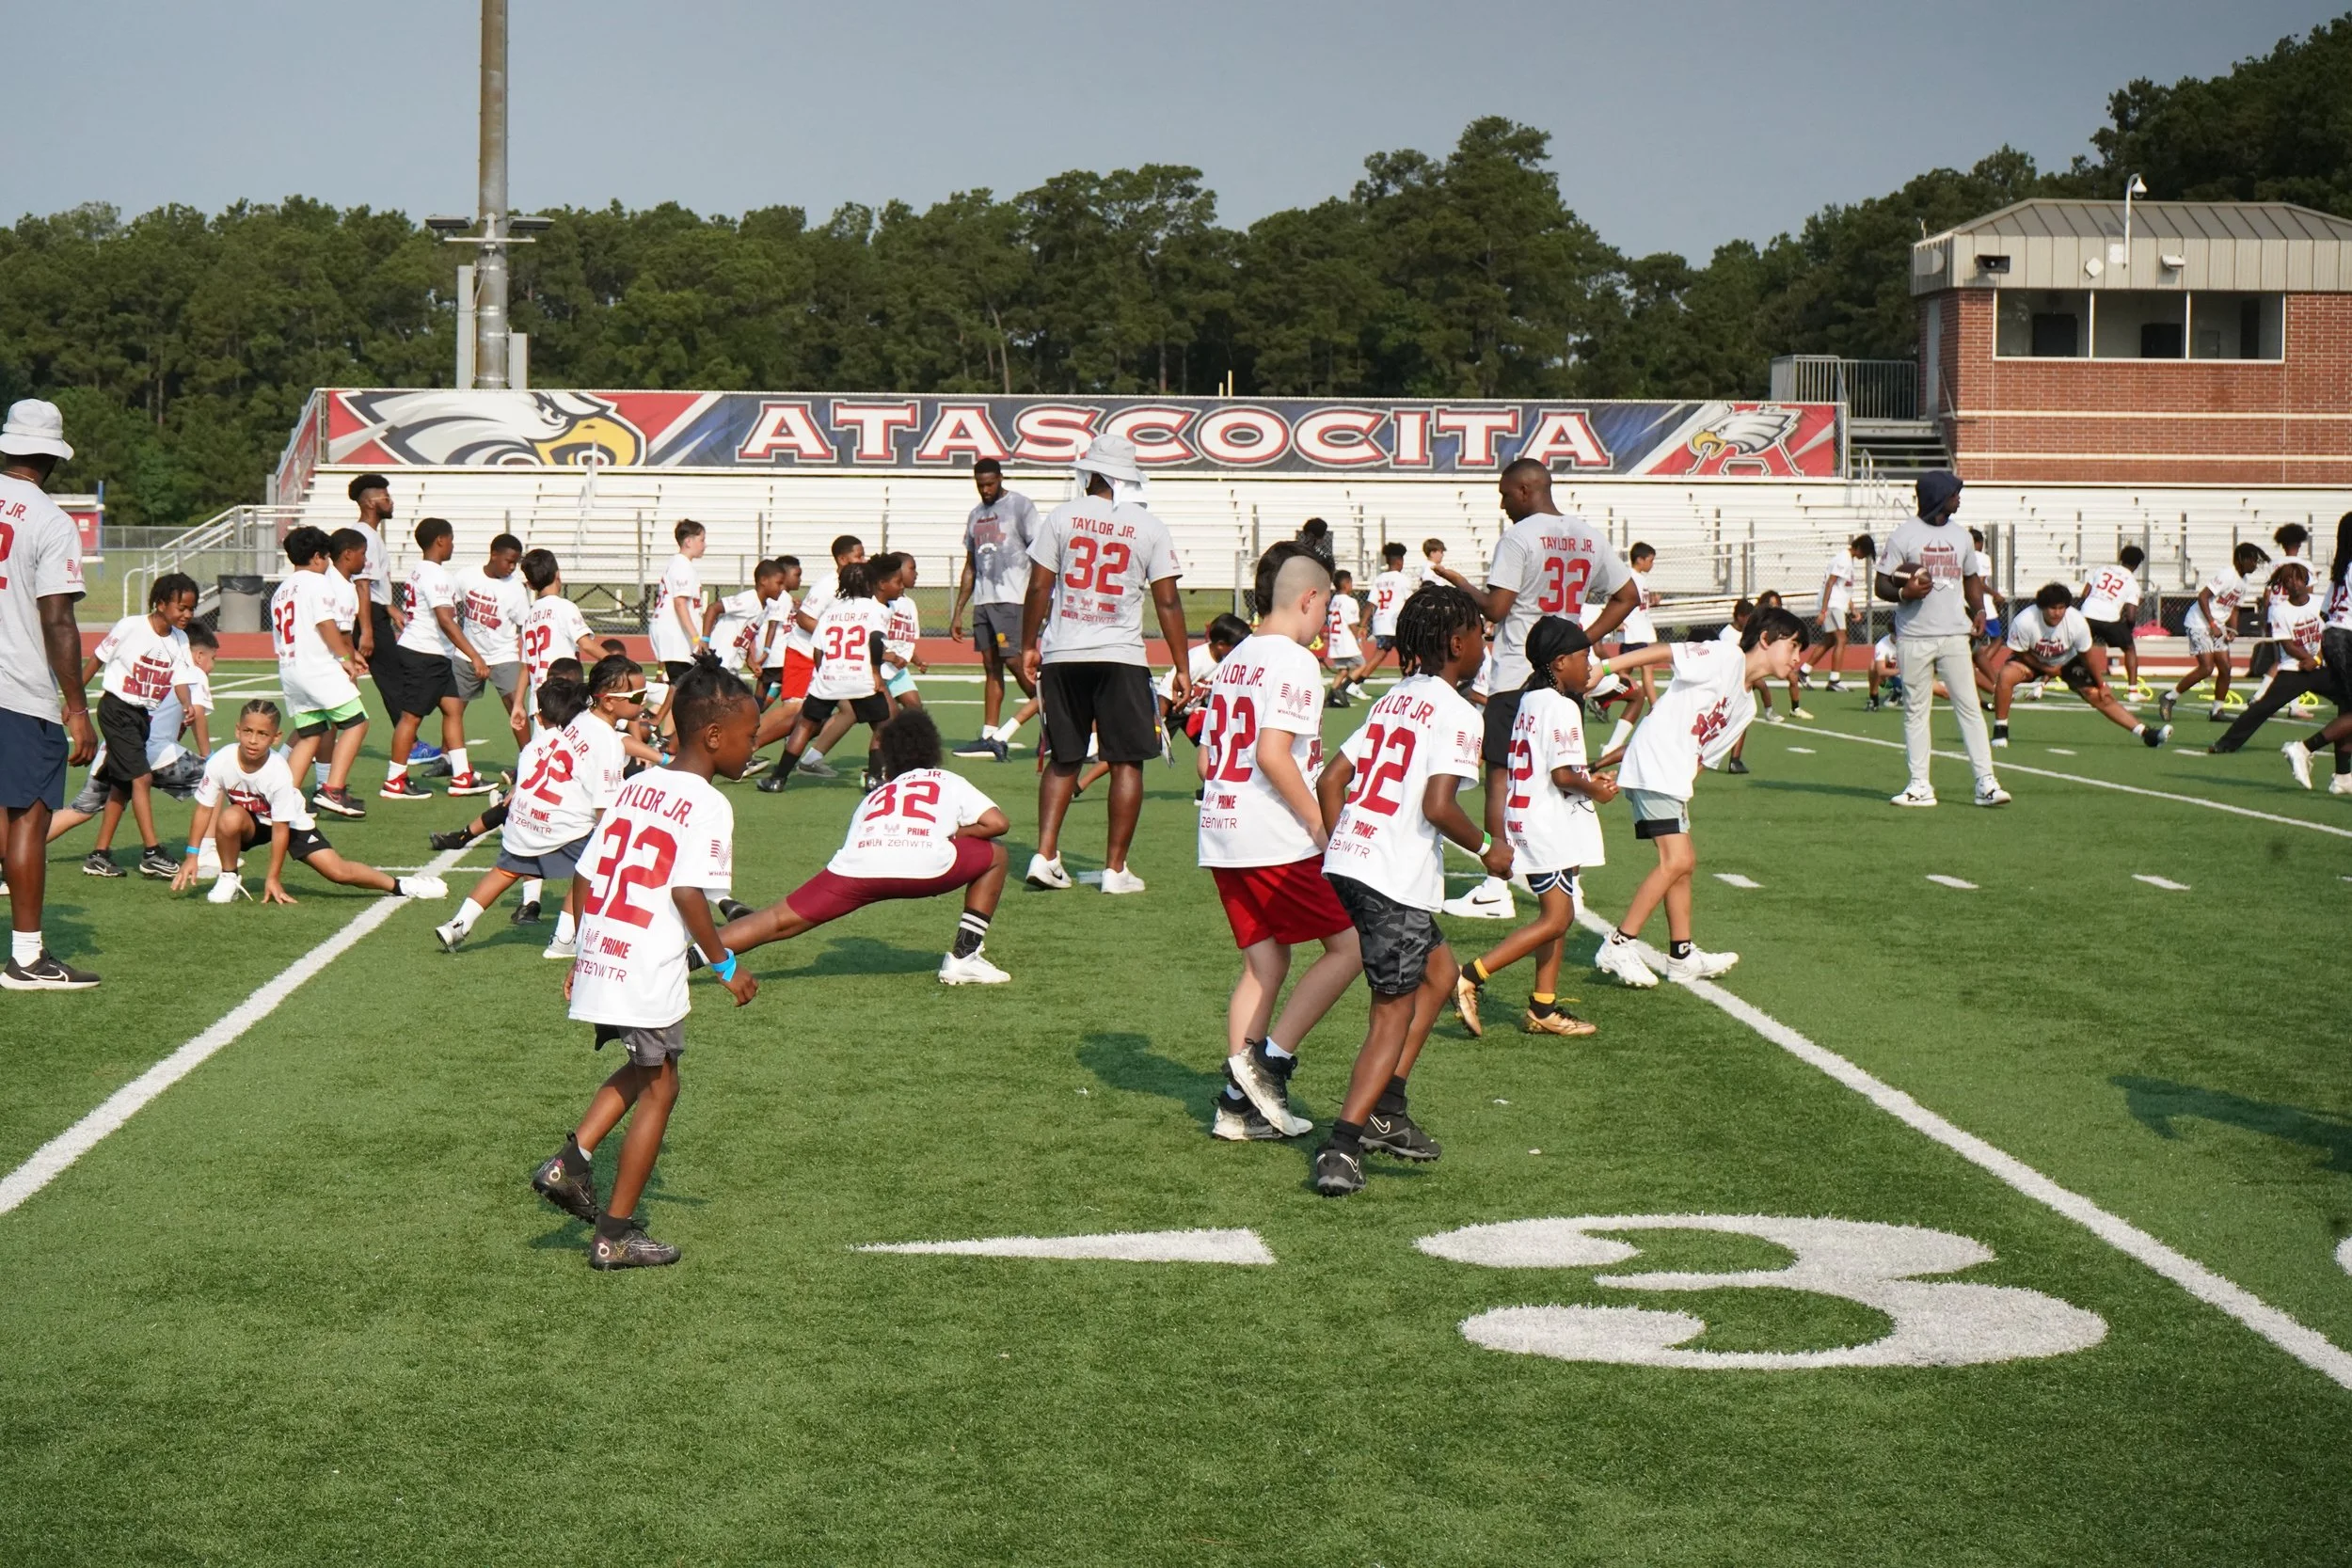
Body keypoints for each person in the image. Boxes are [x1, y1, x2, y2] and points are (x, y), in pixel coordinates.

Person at [533, 657, 760, 1271]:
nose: (753, 745)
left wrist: (582, 953)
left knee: (644, 1069)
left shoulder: (639, 783)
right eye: (748, 735)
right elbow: (689, 893)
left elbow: (585, 871)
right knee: (663, 1086)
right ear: (714, 736)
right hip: (645, 965)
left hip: (608, 952)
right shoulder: (709, 804)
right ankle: (613, 1236)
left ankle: (567, 1164)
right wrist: (725, 965)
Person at [1309, 583, 1502, 1196]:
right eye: (1478, 633)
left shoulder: (1395, 698)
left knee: (1439, 974)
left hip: (1355, 862)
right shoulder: (1457, 710)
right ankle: (1343, 1143)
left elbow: (1331, 778)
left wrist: (1352, 838)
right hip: (1394, 876)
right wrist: (1489, 848)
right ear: (1456, 642)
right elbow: (1438, 805)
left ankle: (1389, 1107)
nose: (1484, 643)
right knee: (1391, 1013)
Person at [1200, 544, 1365, 1143]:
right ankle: (1269, 1067)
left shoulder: (1236, 655)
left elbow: (1206, 757)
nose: (1327, 624)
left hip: (1222, 828)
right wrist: (1321, 826)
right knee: (1349, 948)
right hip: (1270, 832)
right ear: (1309, 598)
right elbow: (1273, 755)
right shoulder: (1293, 661)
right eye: (1327, 609)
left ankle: (1234, 1107)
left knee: (1265, 961)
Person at [1435, 457, 1637, 920]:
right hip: (1564, 674)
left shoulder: (1520, 537)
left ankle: (1495, 887)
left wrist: (1460, 582)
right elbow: (1628, 596)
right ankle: (1570, 880)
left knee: (1500, 777)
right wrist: (1580, 643)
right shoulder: (1587, 533)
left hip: (1515, 674)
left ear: (1525, 490)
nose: (1503, 504)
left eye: (1506, 494)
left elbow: (1497, 609)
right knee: (1565, 776)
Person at [715, 708, 1014, 988]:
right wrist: (954, 833)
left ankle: (686, 959)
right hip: (928, 867)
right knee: (996, 854)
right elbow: (997, 823)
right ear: (932, 749)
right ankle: (964, 956)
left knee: (776, 920)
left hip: (859, 870)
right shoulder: (948, 780)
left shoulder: (876, 795)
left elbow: (857, 841)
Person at [1591, 605, 1807, 989]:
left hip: (1670, 776)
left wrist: (1640, 778)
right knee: (1677, 860)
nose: (1798, 658)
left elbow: (1704, 757)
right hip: (1656, 764)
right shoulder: (1724, 657)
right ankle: (1619, 943)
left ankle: (1682, 956)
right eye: (1793, 647)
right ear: (1765, 640)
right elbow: (1661, 652)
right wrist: (1605, 669)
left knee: (1684, 863)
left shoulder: (1747, 707)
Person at [1017, 433, 1190, 895]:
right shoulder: (1149, 526)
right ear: (1128, 478)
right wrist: (1183, 665)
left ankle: (1046, 854)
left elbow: (1038, 588)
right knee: (1126, 759)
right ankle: (1115, 869)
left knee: (1064, 758)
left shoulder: (1061, 516)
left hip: (1064, 651)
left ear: (1090, 472)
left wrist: (1028, 644)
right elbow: (1168, 602)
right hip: (1120, 653)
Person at [1455, 615, 1614, 1038]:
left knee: (1557, 915)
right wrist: (1594, 788)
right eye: (1585, 657)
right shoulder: (1561, 706)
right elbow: (1564, 776)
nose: (1590, 665)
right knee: (1558, 917)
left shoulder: (1532, 698)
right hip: (1547, 823)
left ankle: (1543, 1007)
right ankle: (1470, 974)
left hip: (1531, 816)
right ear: (1560, 662)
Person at [0, 398, 101, 989]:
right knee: (28, 822)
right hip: (19, 687)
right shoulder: (50, 520)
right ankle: (29, 957)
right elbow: (58, 619)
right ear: (53, 458)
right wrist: (77, 708)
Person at [170, 701, 449, 905]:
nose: (253, 740)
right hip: (251, 821)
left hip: (288, 822)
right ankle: (228, 877)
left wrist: (273, 877)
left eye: (263, 734)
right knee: (230, 817)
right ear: (237, 731)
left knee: (338, 872)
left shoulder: (278, 771)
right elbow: (204, 809)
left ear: (276, 737)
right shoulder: (221, 761)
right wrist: (193, 855)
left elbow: (281, 830)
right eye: (248, 731)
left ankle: (403, 885)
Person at [436, 673, 625, 957]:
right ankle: (564, 938)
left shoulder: (533, 746)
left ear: (540, 715)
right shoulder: (585, 738)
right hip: (560, 826)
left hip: (522, 823)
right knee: (589, 867)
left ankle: (458, 924)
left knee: (504, 870)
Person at [1877, 472, 2008, 808]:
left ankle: (1986, 784)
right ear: (1938, 496)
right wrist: (1903, 590)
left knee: (1969, 708)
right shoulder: (1903, 535)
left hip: (1954, 634)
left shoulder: (1961, 535)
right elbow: (1881, 585)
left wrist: (1978, 609)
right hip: (1914, 636)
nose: (1959, 499)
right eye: (1954, 493)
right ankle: (1919, 785)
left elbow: (1971, 578)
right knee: (1916, 711)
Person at [80, 573, 199, 879]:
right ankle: (152, 852)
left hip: (141, 718)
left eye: (191, 609)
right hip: (117, 709)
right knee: (142, 778)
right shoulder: (131, 626)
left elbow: (182, 679)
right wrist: (74, 702)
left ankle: (99, 855)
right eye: (181, 608)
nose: (186, 615)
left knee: (122, 786)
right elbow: (96, 659)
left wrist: (186, 704)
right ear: (160, 604)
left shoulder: (180, 639)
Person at [381, 518, 498, 800]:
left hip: (432, 653)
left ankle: (462, 775)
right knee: (411, 717)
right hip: (424, 653)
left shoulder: (419, 571)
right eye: (452, 539)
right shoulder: (436, 575)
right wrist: (475, 656)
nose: (453, 545)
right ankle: (395, 780)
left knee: (453, 709)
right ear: (441, 541)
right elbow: (446, 620)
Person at [757, 560, 896, 792]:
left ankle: (778, 779)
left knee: (804, 724)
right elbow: (874, 640)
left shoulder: (831, 613)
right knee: (884, 725)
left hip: (829, 678)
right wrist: (875, 673)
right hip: (861, 678)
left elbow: (818, 650)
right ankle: (873, 777)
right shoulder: (878, 610)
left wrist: (825, 675)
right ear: (870, 584)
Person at [1990, 585, 2171, 750]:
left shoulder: (2076, 621)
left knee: (2099, 695)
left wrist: (2101, 684)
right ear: (2042, 608)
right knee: (2006, 675)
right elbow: (2020, 651)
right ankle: (2000, 729)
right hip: (2033, 658)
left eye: (2061, 608)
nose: (2057, 613)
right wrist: (2045, 668)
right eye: (2052, 608)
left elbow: (2087, 655)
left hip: (2068, 660)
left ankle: (2145, 733)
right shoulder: (2025, 620)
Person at [271, 526, 372, 820]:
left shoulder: (281, 590)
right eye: (326, 556)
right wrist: (345, 657)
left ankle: (282, 798)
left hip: (291, 670)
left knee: (310, 733)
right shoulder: (317, 583)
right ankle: (333, 789)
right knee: (357, 723)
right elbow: (326, 624)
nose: (328, 562)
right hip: (316, 667)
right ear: (317, 557)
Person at [949, 458, 1041, 759]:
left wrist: (1041, 598)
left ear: (1000, 479)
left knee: (1016, 663)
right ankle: (989, 735)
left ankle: (1056, 721)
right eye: (980, 485)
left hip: (1012, 600)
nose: (985, 490)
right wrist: (959, 610)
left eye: (990, 484)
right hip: (984, 601)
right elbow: (970, 565)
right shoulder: (975, 515)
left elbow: (1040, 553)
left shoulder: (1020, 506)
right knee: (992, 668)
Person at [760, 533, 865, 772]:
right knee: (795, 710)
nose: (863, 559)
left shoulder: (856, 585)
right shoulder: (829, 585)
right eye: (858, 555)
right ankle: (744, 749)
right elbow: (804, 618)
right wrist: (833, 637)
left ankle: (810, 759)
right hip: (805, 654)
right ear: (842, 559)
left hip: (829, 660)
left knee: (850, 711)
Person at [2162, 543, 2267, 723]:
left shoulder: (2244, 582)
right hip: (2199, 623)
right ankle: (2170, 697)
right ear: (2241, 559)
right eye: (2252, 560)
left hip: (2217, 625)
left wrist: (2233, 630)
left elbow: (2234, 608)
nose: (2255, 565)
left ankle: (2217, 711)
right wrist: (2212, 623)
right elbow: (2203, 596)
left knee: (2225, 669)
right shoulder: (2228, 574)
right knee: (2207, 668)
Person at [455, 532, 530, 743]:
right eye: (509, 561)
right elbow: (449, 607)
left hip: (503, 655)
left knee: (516, 706)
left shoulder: (516, 589)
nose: (512, 567)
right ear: (494, 555)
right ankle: (448, 759)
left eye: (515, 563)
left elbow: (525, 624)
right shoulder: (466, 576)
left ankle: (530, 759)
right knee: (453, 710)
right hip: (466, 655)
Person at [515, 546, 601, 727]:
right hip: (563, 696)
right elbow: (586, 644)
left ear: (530, 585)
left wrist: (518, 703)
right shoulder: (564, 607)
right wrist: (618, 661)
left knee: (547, 751)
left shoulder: (530, 616)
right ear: (558, 574)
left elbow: (525, 666)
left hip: (538, 699)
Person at [648, 518, 711, 690]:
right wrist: (696, 638)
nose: (705, 545)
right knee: (683, 691)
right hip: (676, 636)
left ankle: (655, 712)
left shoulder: (678, 564)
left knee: (683, 689)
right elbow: (680, 604)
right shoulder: (682, 566)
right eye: (702, 540)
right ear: (689, 541)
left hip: (675, 635)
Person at [2077, 546, 2146, 693]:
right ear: (2137, 564)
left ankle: (2040, 686)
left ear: (2121, 558)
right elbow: (2131, 615)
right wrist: (2128, 629)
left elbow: (2084, 594)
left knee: (2068, 647)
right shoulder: (2133, 583)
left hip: (2087, 612)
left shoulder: (2102, 569)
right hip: (2109, 618)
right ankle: (2133, 691)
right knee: (2129, 649)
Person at [1810, 534, 1873, 694]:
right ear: (1858, 548)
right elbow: (1830, 583)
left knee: (1831, 640)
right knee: (1842, 639)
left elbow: (1842, 588)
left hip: (1837, 603)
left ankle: (1803, 672)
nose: (1863, 557)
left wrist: (1853, 608)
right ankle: (1834, 680)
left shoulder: (1847, 560)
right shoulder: (1843, 560)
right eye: (1864, 554)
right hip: (1833, 605)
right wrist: (1824, 610)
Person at [1359, 541, 1413, 687]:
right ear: (1399, 561)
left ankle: (1353, 684)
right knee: (1408, 656)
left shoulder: (1379, 579)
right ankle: (1408, 685)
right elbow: (1409, 602)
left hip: (1380, 623)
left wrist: (1362, 625)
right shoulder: (1403, 580)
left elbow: (1371, 603)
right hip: (1396, 624)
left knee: (1380, 655)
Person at [882, 556, 926, 710]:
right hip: (877, 667)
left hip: (897, 669)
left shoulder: (910, 604)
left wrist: (916, 660)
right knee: (884, 717)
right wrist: (886, 655)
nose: (916, 574)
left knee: (915, 709)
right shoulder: (883, 601)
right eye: (912, 568)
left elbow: (903, 641)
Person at [1324, 568, 1367, 705]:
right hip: (1346, 641)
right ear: (1346, 584)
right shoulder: (1350, 602)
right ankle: (1342, 688)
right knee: (1362, 664)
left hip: (1336, 642)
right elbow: (1352, 625)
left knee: (1343, 670)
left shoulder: (1333, 600)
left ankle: (1330, 697)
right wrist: (1358, 640)